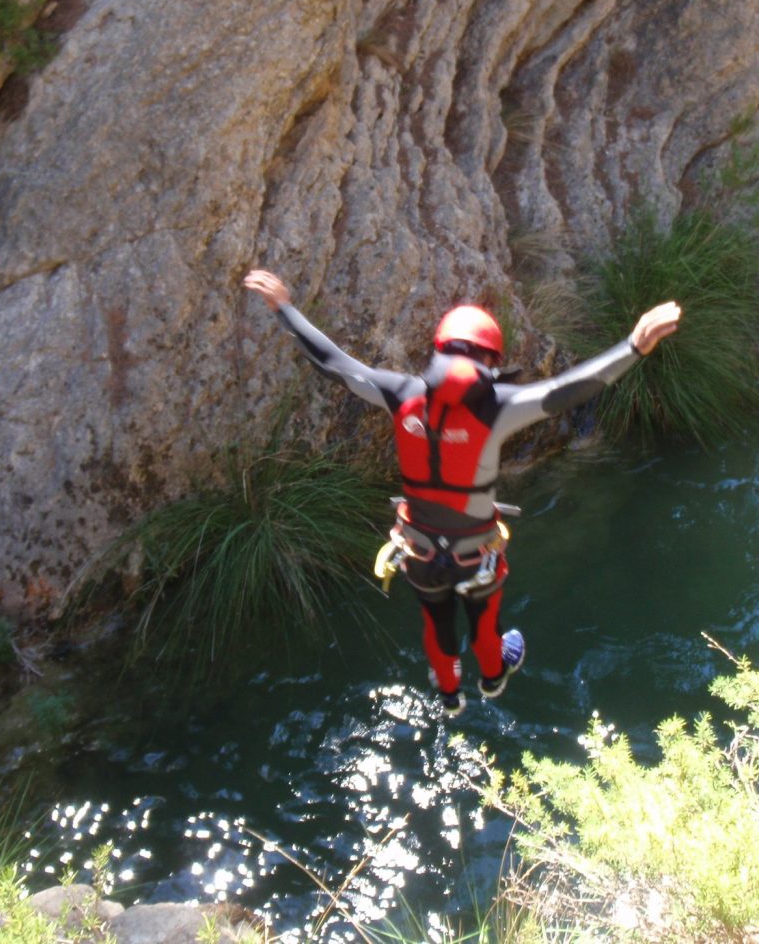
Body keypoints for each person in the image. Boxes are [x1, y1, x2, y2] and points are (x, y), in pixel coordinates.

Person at [244, 269, 681, 717]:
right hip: (477, 554)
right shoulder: (499, 407)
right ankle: (492, 678)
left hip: (419, 550)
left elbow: (333, 363)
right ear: (490, 361)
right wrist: (633, 347)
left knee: (436, 620)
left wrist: (284, 307)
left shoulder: (400, 394)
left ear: (439, 350)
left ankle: (450, 695)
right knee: (485, 623)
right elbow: (568, 391)